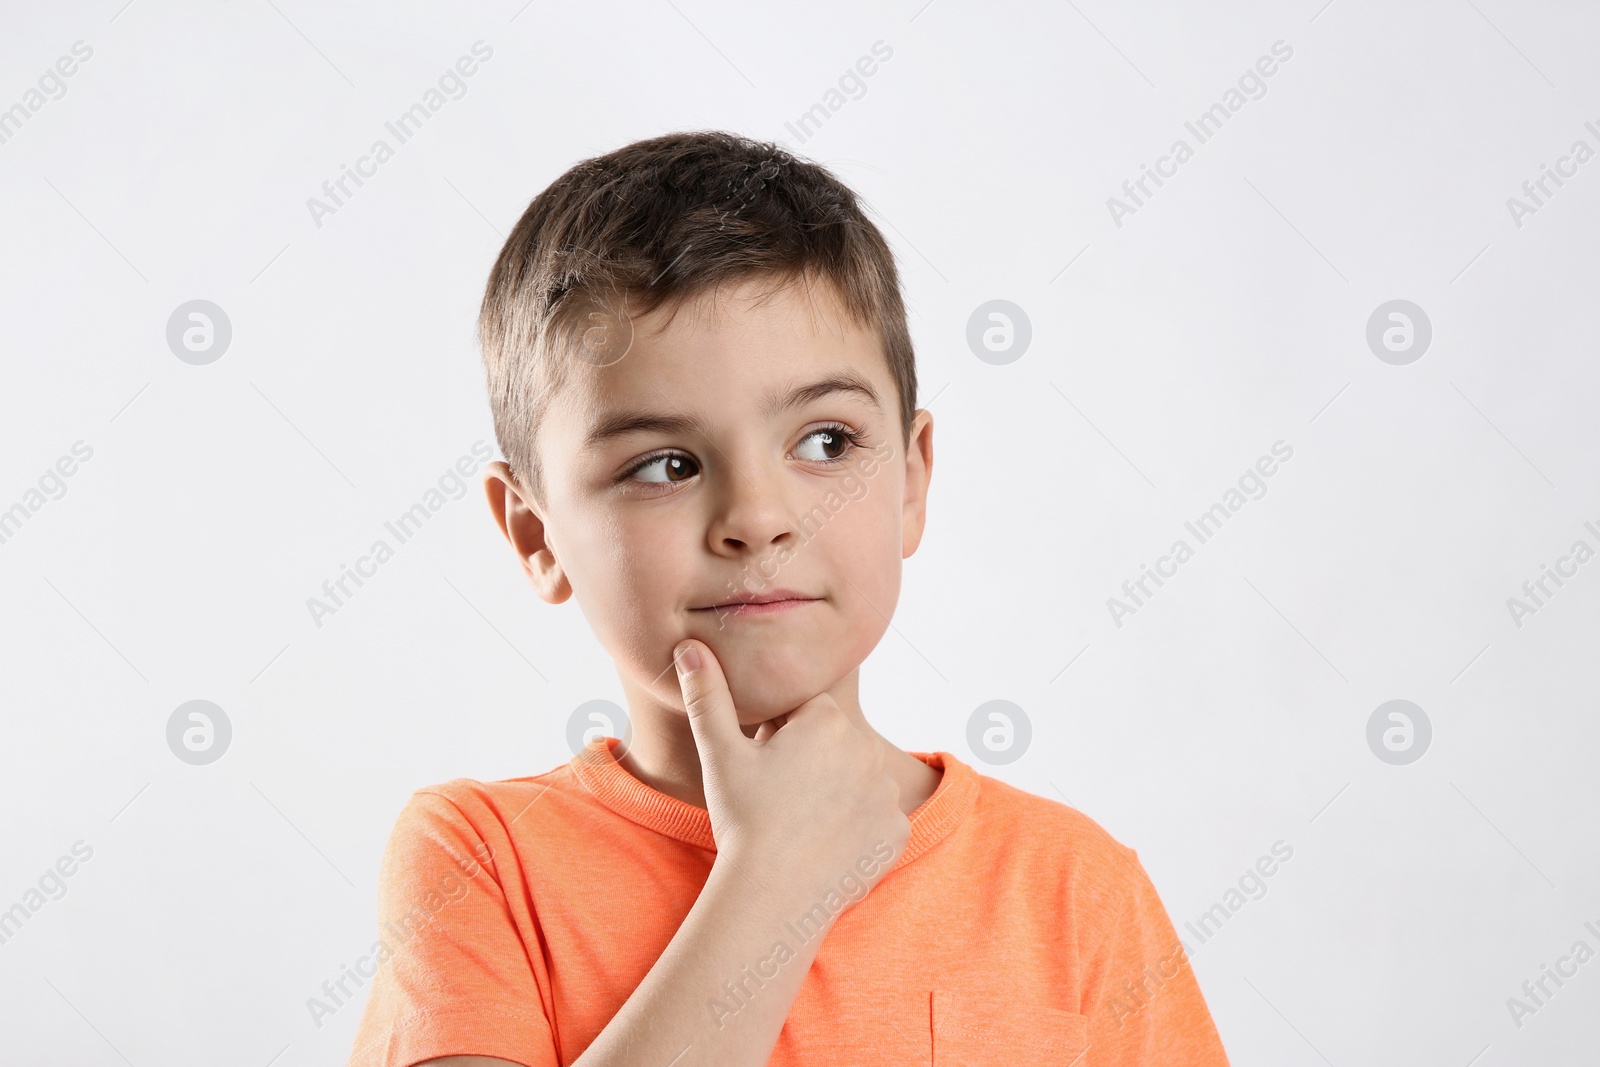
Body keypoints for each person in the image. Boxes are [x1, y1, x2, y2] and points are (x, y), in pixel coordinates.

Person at [345, 129, 1230, 1067]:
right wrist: (774, 880)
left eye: (826, 443)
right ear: (535, 535)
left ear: (911, 481)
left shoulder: (1072, 890)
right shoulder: (482, 860)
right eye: (665, 464)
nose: (757, 518)